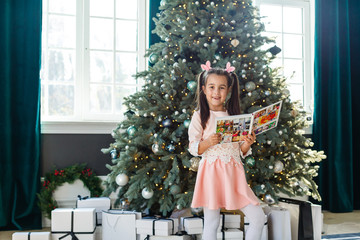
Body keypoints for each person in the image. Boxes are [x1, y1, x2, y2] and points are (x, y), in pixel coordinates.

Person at [188, 61, 266, 240]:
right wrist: (208, 142)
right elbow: (194, 148)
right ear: (204, 89)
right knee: (212, 223)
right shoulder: (199, 116)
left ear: (229, 90)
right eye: (212, 87)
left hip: (234, 173)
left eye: (222, 87)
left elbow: (240, 150)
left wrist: (248, 143)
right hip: (211, 173)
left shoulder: (235, 117)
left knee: (258, 218)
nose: (216, 92)